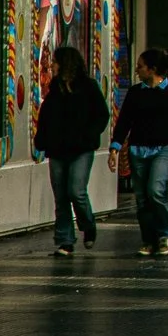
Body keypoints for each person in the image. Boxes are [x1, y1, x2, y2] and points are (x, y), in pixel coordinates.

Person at [110, 47, 168, 257]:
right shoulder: (135, 93)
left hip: (163, 149)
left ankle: (165, 234)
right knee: (142, 198)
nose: (137, 70)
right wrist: (115, 146)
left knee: (156, 191)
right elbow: (124, 120)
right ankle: (148, 239)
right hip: (137, 150)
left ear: (152, 69)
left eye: (140, 67)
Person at [34, 45, 109, 257]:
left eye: (55, 62)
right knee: (61, 197)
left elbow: (102, 115)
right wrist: (42, 140)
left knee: (76, 191)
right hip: (57, 149)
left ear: (65, 64)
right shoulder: (54, 89)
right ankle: (65, 241)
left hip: (81, 149)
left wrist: (88, 135)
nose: (52, 65)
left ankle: (88, 224)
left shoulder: (88, 87)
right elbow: (46, 117)